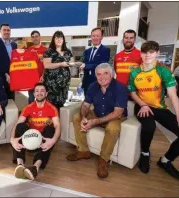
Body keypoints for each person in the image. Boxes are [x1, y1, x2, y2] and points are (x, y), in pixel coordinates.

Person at [128, 41, 179, 179]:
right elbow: (132, 92)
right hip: (142, 105)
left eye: (151, 52)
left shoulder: (163, 71)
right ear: (141, 54)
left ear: (157, 53)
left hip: (159, 107)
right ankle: (145, 153)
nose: (148, 55)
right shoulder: (134, 72)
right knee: (149, 127)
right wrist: (143, 104)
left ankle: (165, 160)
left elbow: (173, 95)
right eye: (145, 52)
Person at [66, 63, 128, 178]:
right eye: (99, 74)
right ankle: (83, 151)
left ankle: (103, 160)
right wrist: (84, 117)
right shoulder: (92, 86)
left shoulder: (120, 88)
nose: (102, 77)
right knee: (77, 117)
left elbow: (117, 112)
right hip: (98, 113)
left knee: (113, 128)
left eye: (106, 73)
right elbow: (85, 105)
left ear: (112, 74)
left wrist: (95, 122)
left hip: (115, 117)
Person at [10, 82, 60, 180]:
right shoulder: (28, 107)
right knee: (20, 126)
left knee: (51, 129)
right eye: (37, 91)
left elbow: (58, 125)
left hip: (43, 142)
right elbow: (17, 124)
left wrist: (53, 140)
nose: (39, 93)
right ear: (34, 94)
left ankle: (35, 167)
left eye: (42, 91)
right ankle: (20, 164)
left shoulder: (52, 108)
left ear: (46, 94)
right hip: (30, 140)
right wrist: (12, 139)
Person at [43, 31, 74, 111]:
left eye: (60, 38)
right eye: (56, 38)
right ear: (53, 40)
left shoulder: (68, 51)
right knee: (52, 105)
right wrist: (61, 64)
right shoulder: (49, 51)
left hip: (64, 84)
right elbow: (47, 65)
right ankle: (51, 122)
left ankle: (59, 122)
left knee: (61, 104)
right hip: (52, 84)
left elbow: (71, 63)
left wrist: (76, 64)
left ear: (63, 39)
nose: (59, 39)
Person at [0, 23, 17, 100]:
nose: (6, 32)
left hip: (13, 77)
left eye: (8, 30)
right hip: (0, 76)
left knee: (11, 99)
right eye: (4, 30)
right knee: (1, 99)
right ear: (0, 31)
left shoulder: (14, 45)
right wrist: (5, 74)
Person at [80, 27, 110, 94]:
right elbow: (84, 64)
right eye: (93, 36)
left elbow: (101, 65)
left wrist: (85, 65)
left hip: (98, 83)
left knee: (97, 104)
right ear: (91, 37)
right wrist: (79, 65)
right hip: (87, 84)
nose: (95, 38)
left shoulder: (105, 50)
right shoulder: (87, 51)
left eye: (97, 36)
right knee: (87, 103)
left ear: (102, 37)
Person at [27, 30, 47, 103]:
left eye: (36, 36)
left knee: (43, 99)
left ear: (40, 37)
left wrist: (43, 75)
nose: (35, 38)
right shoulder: (29, 50)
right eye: (33, 37)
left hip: (43, 79)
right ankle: (31, 114)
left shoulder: (45, 50)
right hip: (31, 80)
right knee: (31, 99)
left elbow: (47, 65)